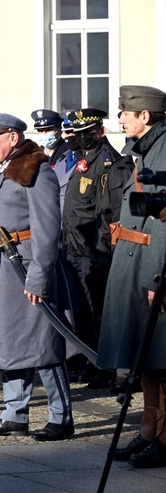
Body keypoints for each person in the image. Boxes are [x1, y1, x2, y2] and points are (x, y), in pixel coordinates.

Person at [0, 113, 75, 441]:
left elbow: (48, 230)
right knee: (9, 343)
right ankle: (14, 413)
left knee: (43, 344)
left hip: (24, 268)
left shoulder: (36, 170)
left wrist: (39, 277)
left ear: (13, 138)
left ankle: (61, 417)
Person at [98, 85, 166, 468]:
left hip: (151, 268)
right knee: (147, 362)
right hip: (135, 261)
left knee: (162, 359)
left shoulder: (164, 148)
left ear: (146, 116)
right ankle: (147, 432)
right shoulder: (143, 149)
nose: (120, 118)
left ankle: (164, 438)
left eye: (126, 112)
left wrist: (159, 280)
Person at [62, 107, 131, 389]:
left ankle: (105, 368)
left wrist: (102, 253)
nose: (80, 139)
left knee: (99, 315)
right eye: (77, 134)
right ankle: (92, 362)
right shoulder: (84, 160)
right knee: (83, 315)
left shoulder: (109, 165)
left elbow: (109, 215)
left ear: (99, 132)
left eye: (85, 134)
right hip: (75, 248)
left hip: (93, 252)